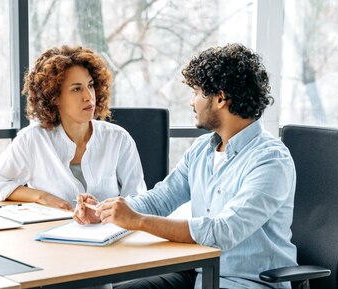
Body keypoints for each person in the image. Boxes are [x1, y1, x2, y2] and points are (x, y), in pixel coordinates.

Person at [75, 43, 297, 289]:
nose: (192, 103)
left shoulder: (270, 160)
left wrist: (137, 220)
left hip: (248, 282)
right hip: (200, 275)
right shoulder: (202, 150)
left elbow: (223, 232)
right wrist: (107, 212)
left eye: (197, 92)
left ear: (220, 98)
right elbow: (160, 200)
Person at [0, 45, 146, 211]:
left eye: (90, 85)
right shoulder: (33, 140)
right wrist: (41, 197)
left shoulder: (118, 138)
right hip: (48, 234)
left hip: (110, 233)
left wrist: (104, 212)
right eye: (76, 89)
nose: (89, 97)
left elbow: (138, 199)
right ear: (54, 97)